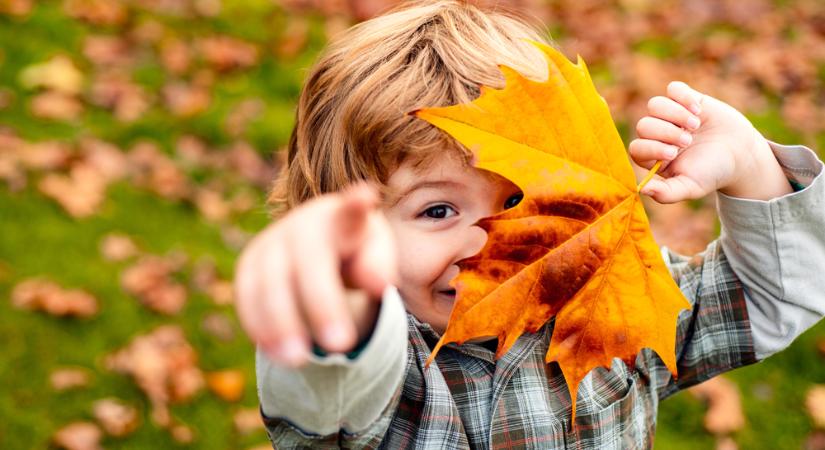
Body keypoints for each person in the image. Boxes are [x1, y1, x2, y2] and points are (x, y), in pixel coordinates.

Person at [233, 1, 825, 448]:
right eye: (438, 210)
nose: (487, 238)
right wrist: (333, 302)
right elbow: (330, 386)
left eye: (520, 198)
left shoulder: (606, 295)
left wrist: (752, 166)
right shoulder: (389, 376)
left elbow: (773, 291)